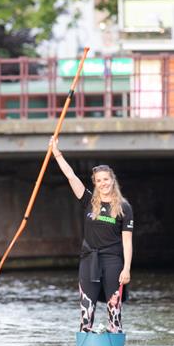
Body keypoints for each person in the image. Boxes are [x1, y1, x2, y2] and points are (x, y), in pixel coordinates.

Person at [51, 137, 133, 333]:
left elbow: (127, 241)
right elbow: (71, 176)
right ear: (95, 183)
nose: (103, 183)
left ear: (112, 180)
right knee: (86, 312)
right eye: (99, 180)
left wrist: (127, 268)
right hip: (89, 260)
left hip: (113, 261)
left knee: (115, 311)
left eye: (106, 179)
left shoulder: (124, 207)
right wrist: (56, 153)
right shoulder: (88, 200)